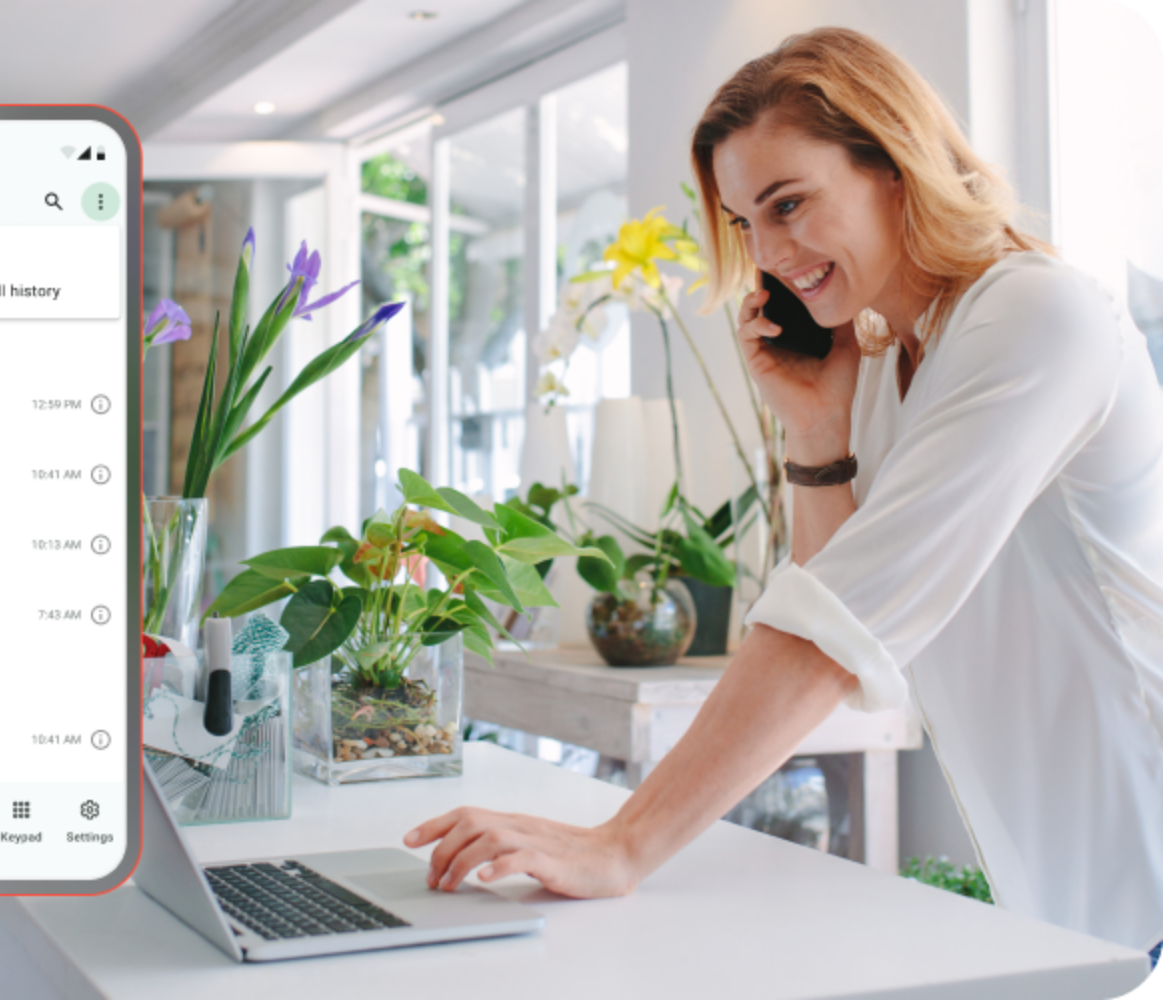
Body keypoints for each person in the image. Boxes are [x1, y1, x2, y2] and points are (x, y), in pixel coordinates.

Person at [404, 26, 1163, 988]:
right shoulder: (899, 358)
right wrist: (815, 435)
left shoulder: (1035, 318)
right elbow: (841, 617)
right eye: (745, 224)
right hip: (1075, 907)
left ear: (895, 162)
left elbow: (834, 627)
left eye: (789, 204)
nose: (768, 253)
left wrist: (623, 843)